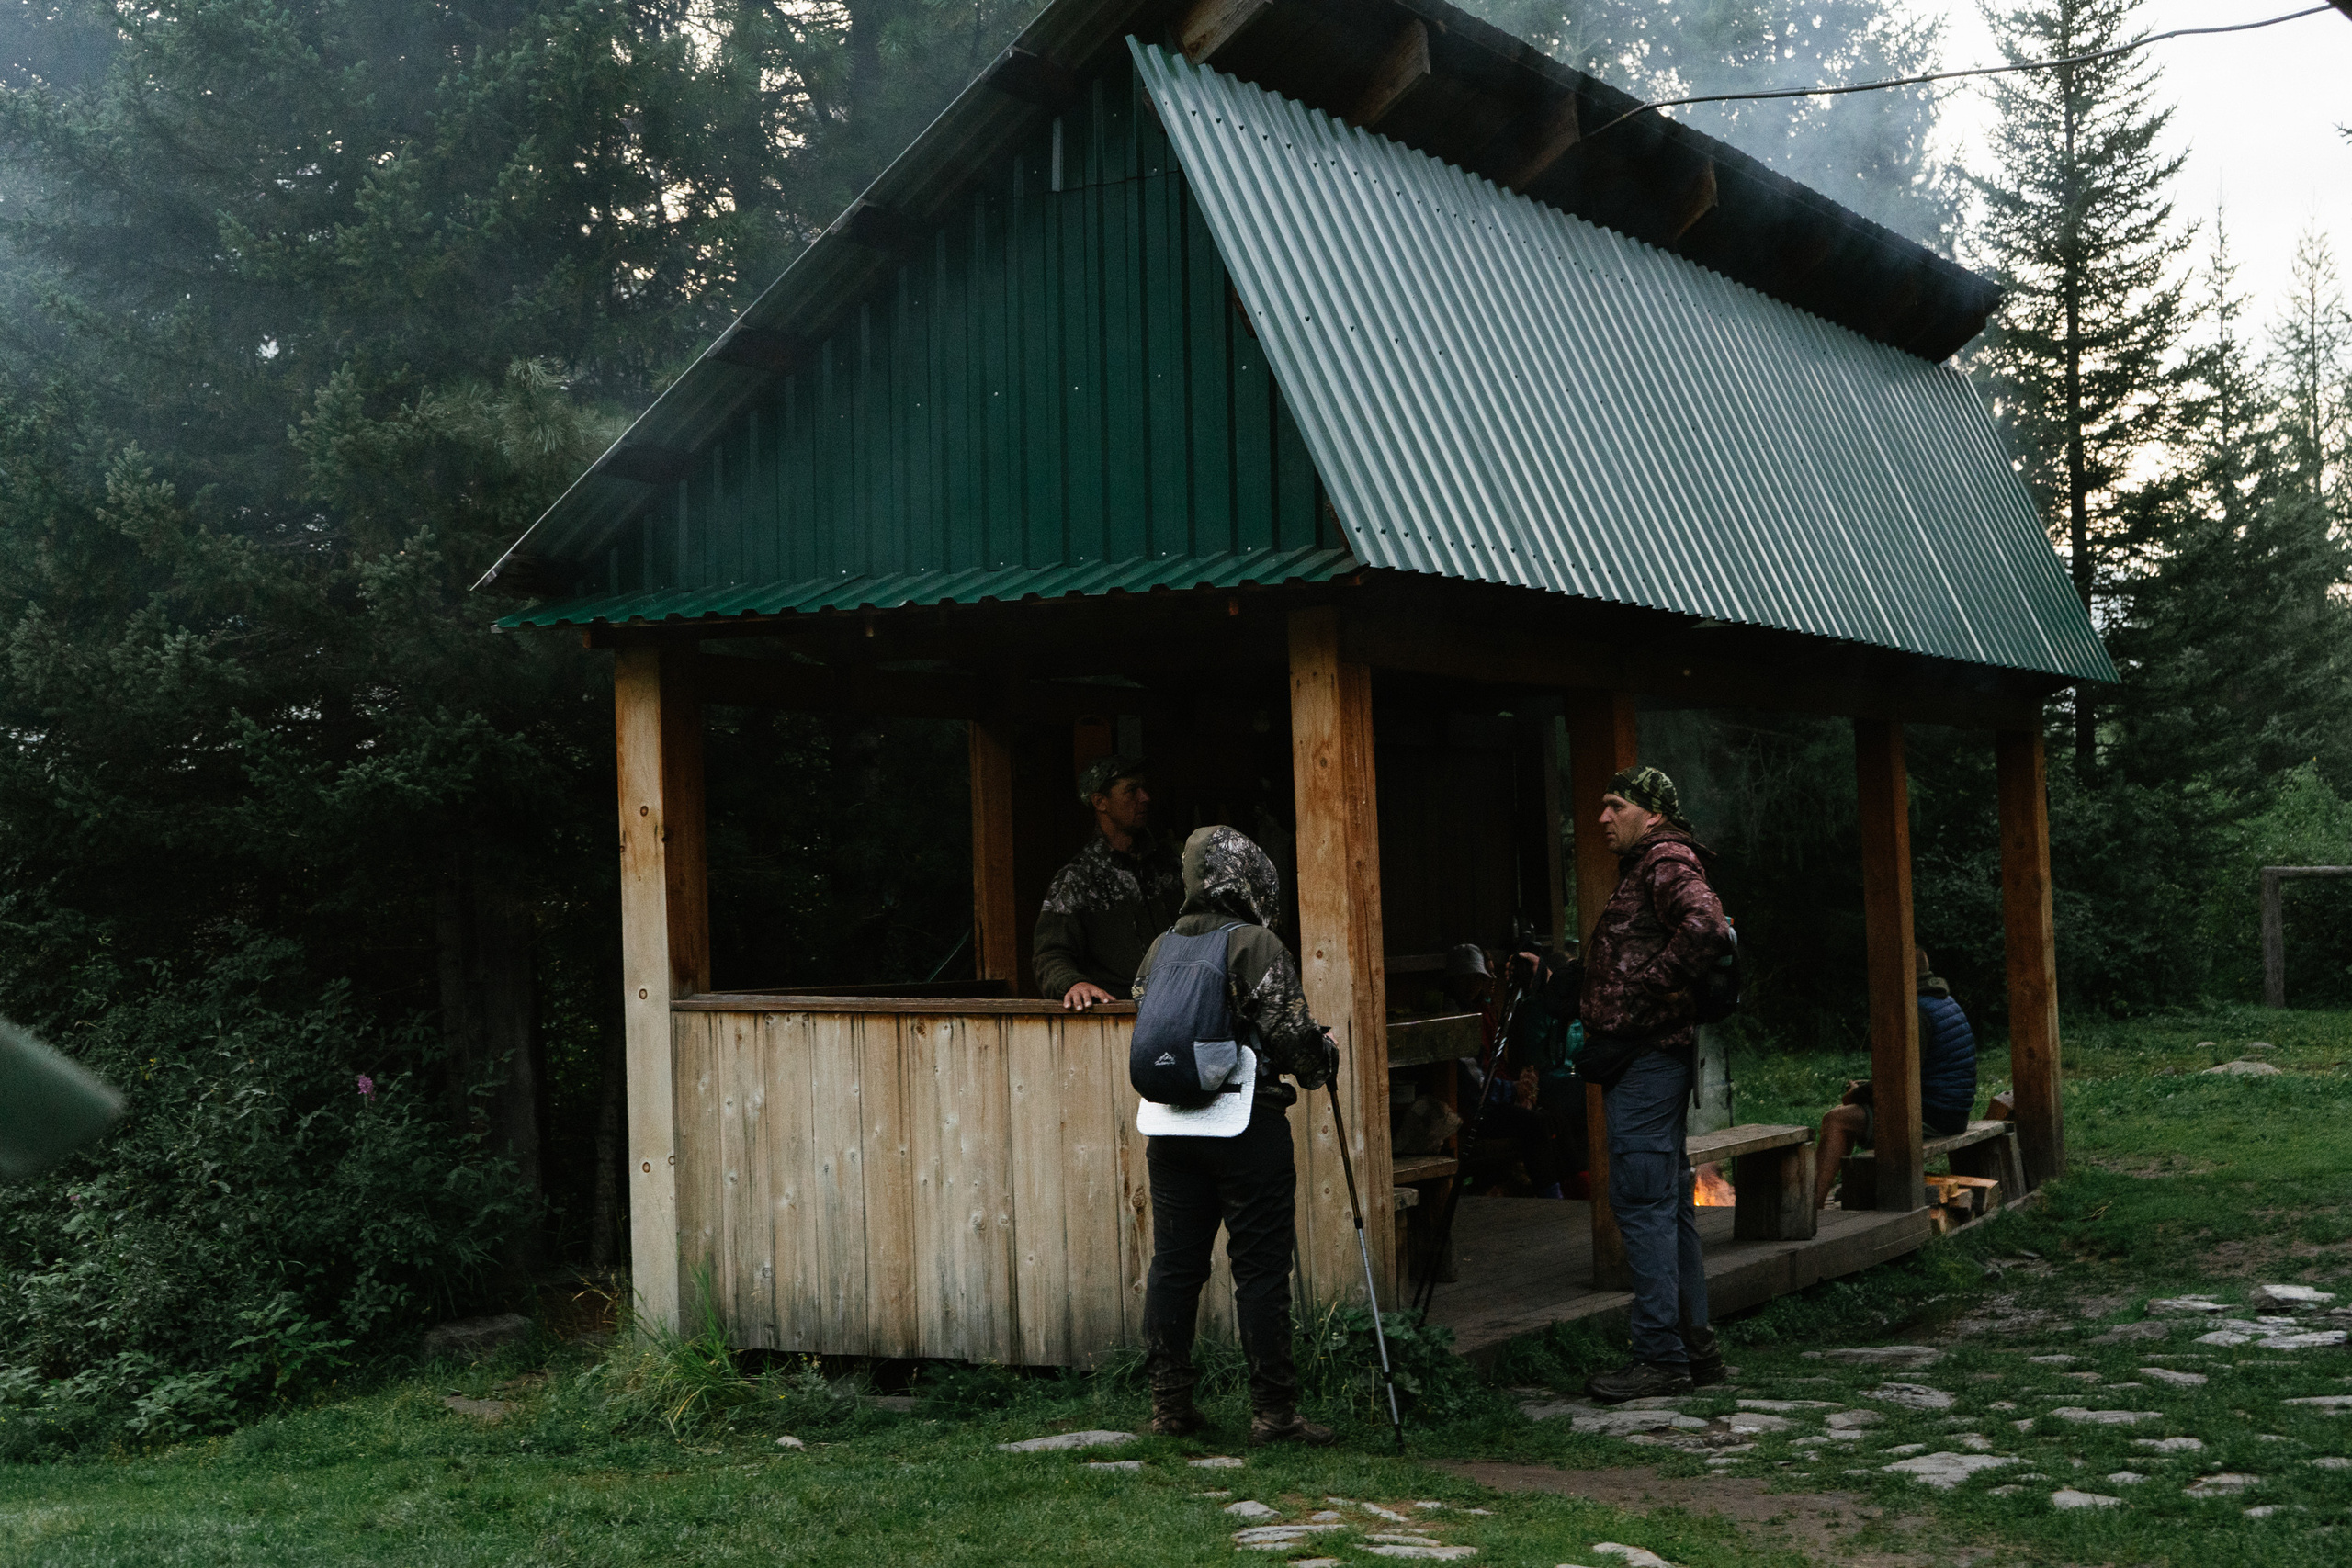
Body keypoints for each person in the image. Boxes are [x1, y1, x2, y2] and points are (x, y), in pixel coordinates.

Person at [1131, 825, 1339, 1447]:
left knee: (1174, 1266)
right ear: (1245, 874)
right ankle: (1274, 1413)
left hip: (1168, 1127)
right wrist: (1320, 1058)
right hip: (1245, 1126)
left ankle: (1170, 1407)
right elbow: (1294, 1041)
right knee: (1261, 1269)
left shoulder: (1158, 948)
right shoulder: (1256, 944)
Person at [1565, 765, 1733, 1403]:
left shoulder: (1664, 861)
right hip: (1648, 1060)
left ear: (1651, 812)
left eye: (1615, 805)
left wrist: (1646, 986)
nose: (1603, 817)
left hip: (1647, 1062)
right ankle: (1695, 1349)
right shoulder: (1651, 864)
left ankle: (1659, 1357)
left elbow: (1707, 928)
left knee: (1641, 1203)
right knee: (1670, 1207)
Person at [1814, 947, 1980, 1209]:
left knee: (1836, 1120)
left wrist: (1857, 1094)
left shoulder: (1916, 1012)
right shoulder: (1943, 1000)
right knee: (1847, 1117)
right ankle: (1823, 1198)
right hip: (1952, 1111)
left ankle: (1810, 1206)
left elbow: (1898, 1083)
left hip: (1934, 1116)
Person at [1034, 754, 1184, 1010]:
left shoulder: (1171, 864)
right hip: (1122, 1016)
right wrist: (1072, 983)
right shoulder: (1079, 878)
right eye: (1131, 791)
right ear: (1100, 802)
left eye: (1144, 789)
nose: (1144, 798)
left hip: (1183, 1007)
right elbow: (1051, 954)